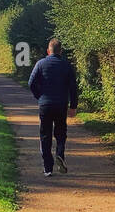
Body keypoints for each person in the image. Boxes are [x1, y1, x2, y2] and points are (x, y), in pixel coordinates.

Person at [28, 39, 79, 177]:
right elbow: (73, 88)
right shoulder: (66, 66)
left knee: (45, 135)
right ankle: (60, 154)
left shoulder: (40, 64)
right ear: (61, 51)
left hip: (45, 104)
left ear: (48, 51)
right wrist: (73, 106)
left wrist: (39, 96)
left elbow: (31, 83)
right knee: (61, 132)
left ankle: (48, 168)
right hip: (61, 105)